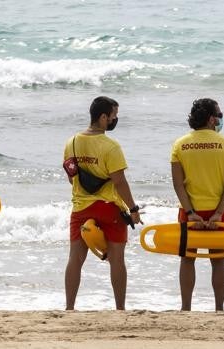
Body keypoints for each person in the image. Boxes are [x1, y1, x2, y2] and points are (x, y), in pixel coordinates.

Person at [63, 96, 141, 310]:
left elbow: (71, 177)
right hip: (109, 208)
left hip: (80, 207)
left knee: (75, 259)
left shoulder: (72, 142)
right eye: (114, 116)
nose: (116, 120)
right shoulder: (111, 146)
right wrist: (133, 209)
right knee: (116, 260)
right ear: (103, 117)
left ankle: (69, 307)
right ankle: (120, 308)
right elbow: (120, 182)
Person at [170, 98, 224, 311]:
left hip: (190, 210)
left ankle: (186, 308)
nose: (220, 119)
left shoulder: (180, 144)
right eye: (219, 115)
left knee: (187, 260)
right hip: (218, 211)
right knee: (218, 260)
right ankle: (219, 308)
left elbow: (178, 185)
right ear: (211, 119)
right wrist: (219, 213)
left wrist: (190, 212)